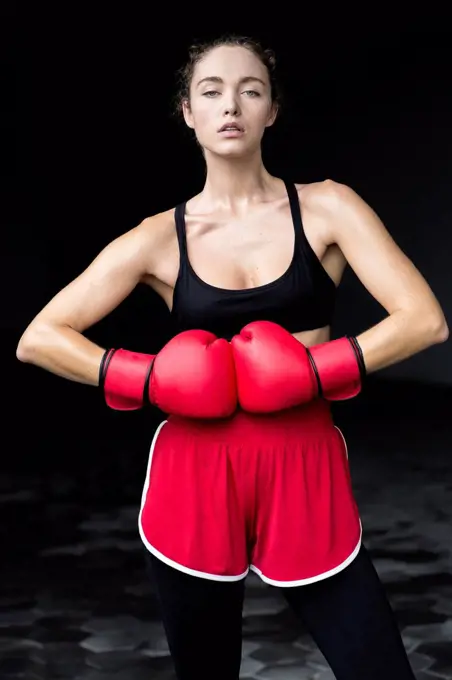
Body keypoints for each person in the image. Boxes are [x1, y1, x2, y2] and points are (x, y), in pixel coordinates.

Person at [17, 34, 448, 680]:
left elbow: (426, 321)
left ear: (272, 110)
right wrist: (150, 376)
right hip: (194, 486)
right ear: (187, 113)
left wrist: (311, 371)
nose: (231, 106)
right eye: (211, 91)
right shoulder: (159, 237)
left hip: (303, 472)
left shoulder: (329, 207)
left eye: (250, 90)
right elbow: (39, 337)